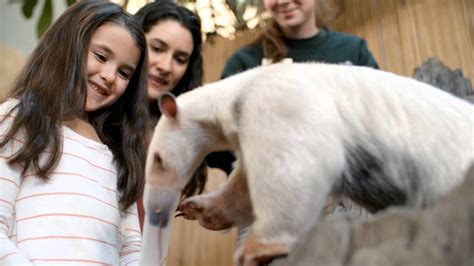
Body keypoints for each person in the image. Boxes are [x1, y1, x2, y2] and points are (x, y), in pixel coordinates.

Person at [0, 1, 149, 264]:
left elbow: (130, 246)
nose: (109, 75)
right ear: (70, 45)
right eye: (101, 57)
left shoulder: (116, 150)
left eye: (124, 72)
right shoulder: (22, 119)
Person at [207, 0, 379, 175]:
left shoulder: (353, 51)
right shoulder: (246, 62)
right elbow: (218, 142)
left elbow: (379, 125)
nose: (282, 2)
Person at [134, 0, 206, 229]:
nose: (166, 66)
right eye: (157, 48)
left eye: (180, 59)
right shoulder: (89, 115)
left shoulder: (180, 131)